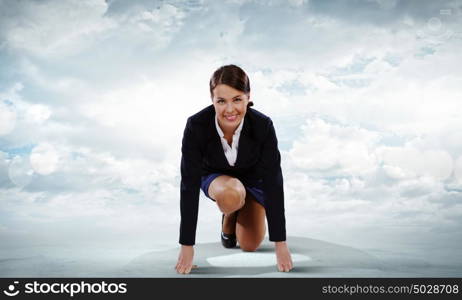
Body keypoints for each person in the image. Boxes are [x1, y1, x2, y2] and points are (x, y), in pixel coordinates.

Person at [175, 64, 293, 274]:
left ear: (248, 96)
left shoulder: (263, 125)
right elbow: (189, 185)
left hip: (253, 180)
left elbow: (273, 181)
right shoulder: (196, 125)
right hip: (217, 178)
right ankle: (229, 212)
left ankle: (239, 208)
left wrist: (280, 244)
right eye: (221, 101)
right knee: (231, 193)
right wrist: (187, 246)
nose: (230, 109)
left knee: (249, 245)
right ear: (212, 100)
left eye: (237, 99)